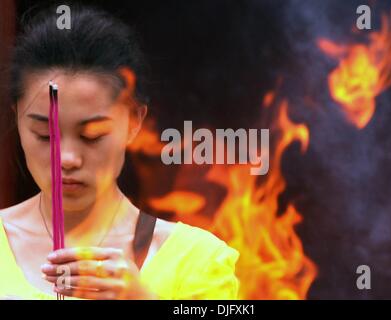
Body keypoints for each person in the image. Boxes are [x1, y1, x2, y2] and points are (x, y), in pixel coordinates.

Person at [0, 4, 239, 300]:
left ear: (134, 121)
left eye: (93, 136)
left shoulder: (197, 261)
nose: (67, 159)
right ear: (17, 118)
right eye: (45, 136)